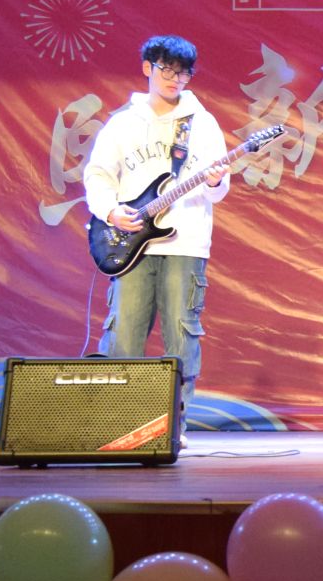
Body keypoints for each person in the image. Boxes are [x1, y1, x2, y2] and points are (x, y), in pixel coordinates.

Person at [84, 35, 233, 438]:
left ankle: (171, 428)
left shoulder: (203, 123)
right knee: (124, 334)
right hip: (131, 245)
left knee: (182, 334)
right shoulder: (123, 123)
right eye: (168, 70)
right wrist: (111, 211)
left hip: (186, 242)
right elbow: (98, 175)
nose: (176, 79)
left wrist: (216, 181)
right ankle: (118, 426)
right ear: (148, 67)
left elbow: (218, 189)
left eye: (184, 73)